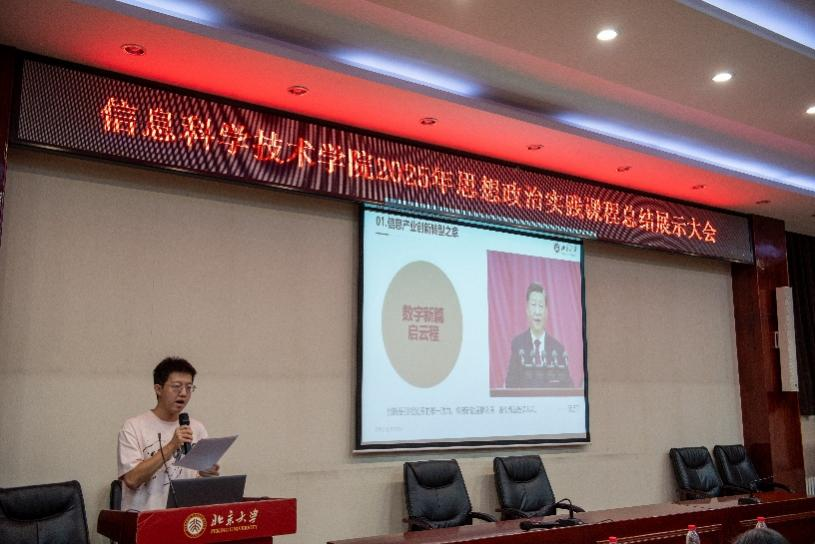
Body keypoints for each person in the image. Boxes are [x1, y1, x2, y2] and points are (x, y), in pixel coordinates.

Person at [117, 356, 219, 511]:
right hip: (145, 519)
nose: (183, 393)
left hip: (185, 518)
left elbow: (198, 484)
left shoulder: (197, 428)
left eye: (189, 387)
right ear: (158, 389)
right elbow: (132, 479)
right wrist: (172, 445)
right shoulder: (134, 426)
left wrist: (206, 473)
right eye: (177, 387)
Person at [504, 282, 573, 388]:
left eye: (541, 306)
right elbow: (510, 383)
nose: (537, 312)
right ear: (527, 310)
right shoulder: (518, 344)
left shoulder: (558, 349)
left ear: (546, 311)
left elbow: (568, 386)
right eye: (533, 305)